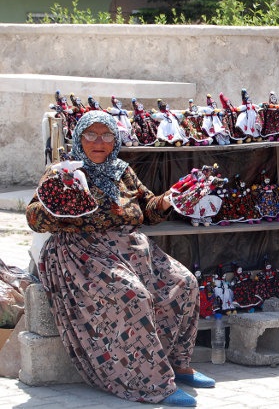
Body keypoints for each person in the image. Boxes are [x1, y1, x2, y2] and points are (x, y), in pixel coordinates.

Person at [26, 111, 214, 407]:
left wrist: (169, 199)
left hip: (130, 247)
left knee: (185, 283)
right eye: (91, 135)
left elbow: (148, 210)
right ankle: (151, 382)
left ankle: (178, 364)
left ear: (116, 139)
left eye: (106, 135)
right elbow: (34, 217)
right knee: (133, 297)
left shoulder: (122, 170)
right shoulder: (63, 171)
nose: (98, 142)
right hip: (81, 252)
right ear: (79, 138)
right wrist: (63, 205)